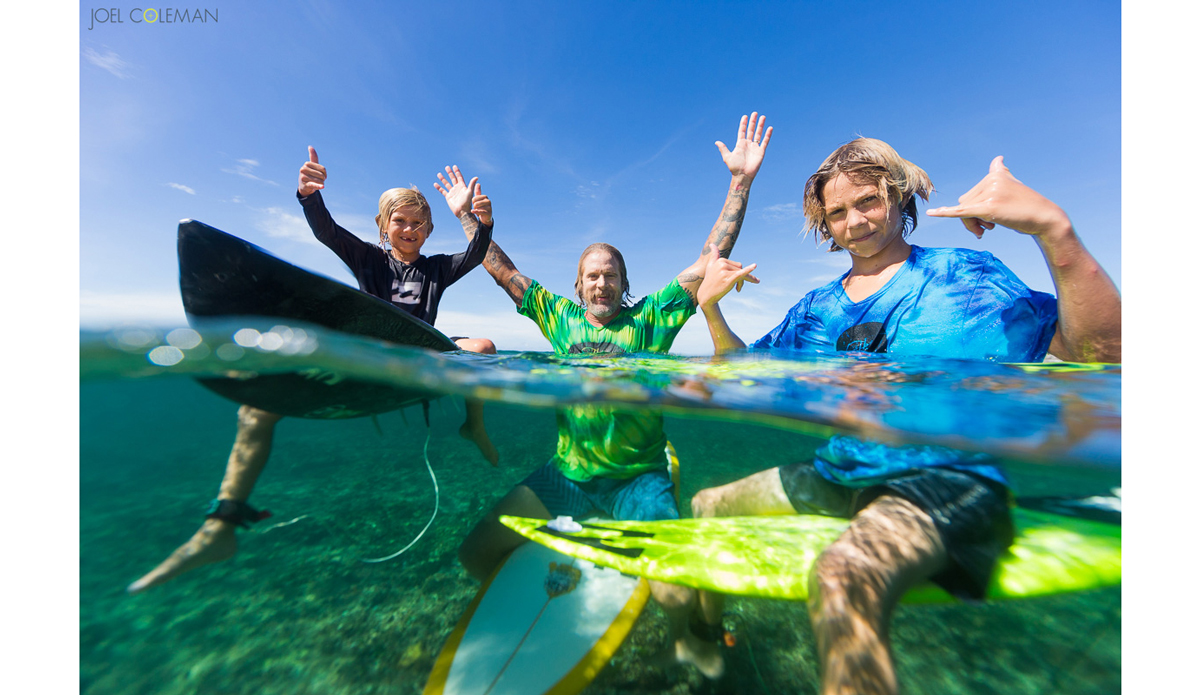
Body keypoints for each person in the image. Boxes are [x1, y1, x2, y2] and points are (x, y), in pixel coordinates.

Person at [687, 138, 1121, 692]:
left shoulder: (966, 276)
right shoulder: (815, 309)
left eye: (867, 201)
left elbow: (1101, 354)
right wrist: (713, 309)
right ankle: (705, 629)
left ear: (898, 195)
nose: (854, 221)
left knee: (841, 577)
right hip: (843, 473)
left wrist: (1053, 230)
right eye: (838, 212)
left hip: (945, 485)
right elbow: (743, 370)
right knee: (706, 505)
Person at [457, 113, 772, 678]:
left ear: (626, 284)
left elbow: (710, 257)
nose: (600, 283)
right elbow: (503, 272)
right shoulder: (557, 315)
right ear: (577, 286)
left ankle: (694, 633)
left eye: (611, 275)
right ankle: (560, 562)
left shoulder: (653, 317)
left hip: (638, 477)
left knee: (675, 595)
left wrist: (740, 183)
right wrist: (466, 222)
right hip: (567, 475)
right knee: (475, 554)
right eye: (591, 276)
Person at [127, 148, 498, 594]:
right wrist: (309, 196)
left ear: (429, 229)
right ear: (383, 227)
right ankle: (221, 523)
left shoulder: (438, 268)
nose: (410, 230)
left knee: (484, 347)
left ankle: (472, 426)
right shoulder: (368, 259)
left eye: (419, 223)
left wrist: (473, 217)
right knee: (257, 406)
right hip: (368, 359)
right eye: (400, 221)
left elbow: (475, 254)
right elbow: (327, 233)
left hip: (422, 357)